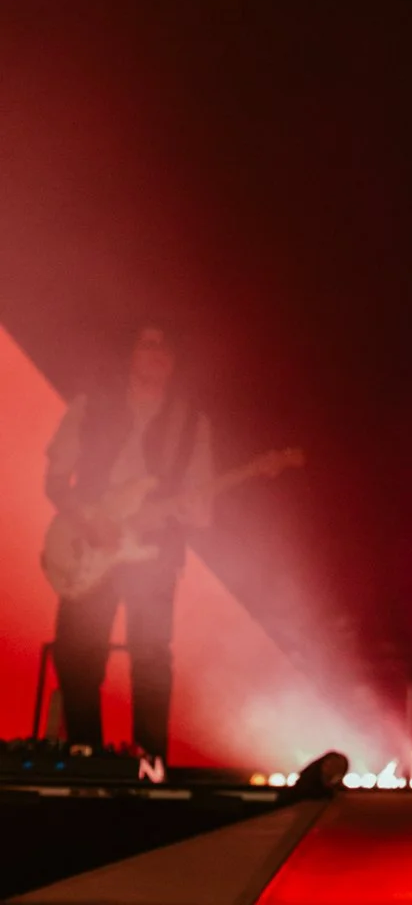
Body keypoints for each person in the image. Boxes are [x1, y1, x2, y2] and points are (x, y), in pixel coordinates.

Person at [45, 322, 213, 763]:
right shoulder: (92, 405)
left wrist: (195, 507)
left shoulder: (192, 423)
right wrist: (87, 522)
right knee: (78, 653)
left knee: (152, 657)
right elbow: (56, 481)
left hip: (153, 553)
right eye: (148, 344)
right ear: (132, 354)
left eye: (166, 347)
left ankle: (150, 766)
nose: (158, 353)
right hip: (90, 540)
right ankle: (84, 754)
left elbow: (200, 509)